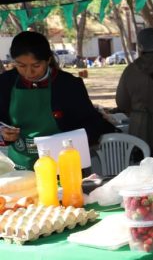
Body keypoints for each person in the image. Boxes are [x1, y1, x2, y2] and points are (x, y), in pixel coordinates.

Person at [0, 31, 116, 169]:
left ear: (48, 60)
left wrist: (63, 141)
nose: (28, 73)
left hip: (63, 163)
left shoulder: (69, 85)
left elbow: (92, 123)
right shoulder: (5, 83)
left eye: (36, 66)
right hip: (20, 164)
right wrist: (3, 132)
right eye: (21, 66)